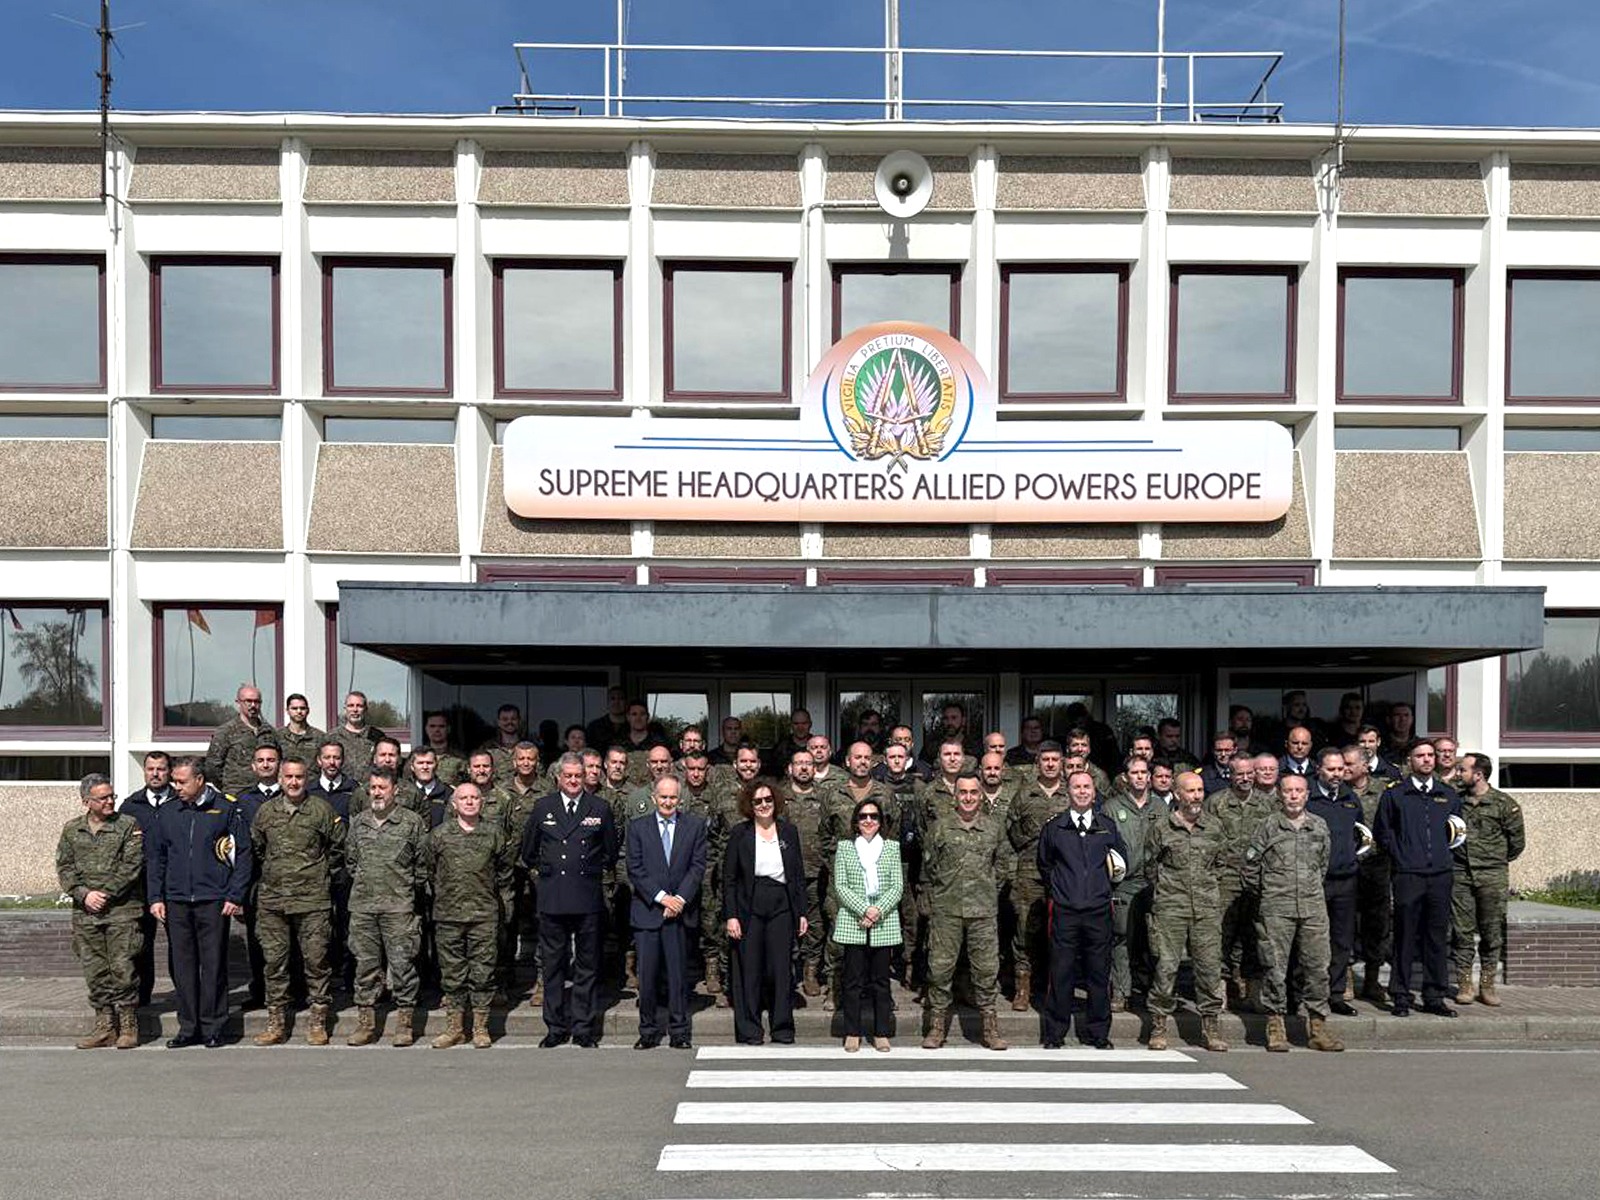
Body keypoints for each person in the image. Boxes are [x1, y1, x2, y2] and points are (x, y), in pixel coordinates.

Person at [145, 758, 251, 1048]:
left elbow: (242, 854)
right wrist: (156, 897)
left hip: (213, 899)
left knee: (214, 964)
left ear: (200, 780)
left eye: (181, 781)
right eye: (174, 781)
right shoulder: (168, 812)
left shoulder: (225, 809)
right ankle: (188, 1027)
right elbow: (157, 857)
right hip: (177, 900)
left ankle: (213, 1026)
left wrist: (234, 894)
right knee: (183, 967)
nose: (175, 786)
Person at [522, 753, 618, 1048]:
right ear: (559, 778)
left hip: (587, 897)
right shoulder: (543, 807)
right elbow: (529, 852)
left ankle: (584, 1027)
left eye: (579, 775)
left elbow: (611, 852)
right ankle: (555, 1027)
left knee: (587, 966)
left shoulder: (600, 808)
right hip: (552, 898)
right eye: (569, 776)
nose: (574, 781)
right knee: (553, 966)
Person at [249, 754, 345, 1047]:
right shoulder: (266, 812)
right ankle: (276, 1023)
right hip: (273, 901)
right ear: (280, 778)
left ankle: (318, 1021)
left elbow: (338, 849)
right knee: (274, 963)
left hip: (312, 900)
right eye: (288, 777)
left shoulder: (321, 810)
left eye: (299, 777)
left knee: (316, 961)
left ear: (307, 779)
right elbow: (258, 848)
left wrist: (317, 876)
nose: (293, 782)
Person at [1246, 774, 1343, 1052]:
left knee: (1317, 968)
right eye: (1287, 790)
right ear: (1280, 794)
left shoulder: (1318, 826)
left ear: (1307, 794)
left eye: (1298, 790)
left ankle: (1317, 1027)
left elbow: (1322, 866)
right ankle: (1275, 1027)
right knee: (1274, 969)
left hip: (1312, 908)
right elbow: (1250, 869)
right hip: (1277, 909)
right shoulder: (1267, 826)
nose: (1292, 795)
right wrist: (1270, 894)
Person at [1036, 770, 1127, 1050]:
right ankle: (1054, 1034)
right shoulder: (1055, 827)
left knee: (1098, 974)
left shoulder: (1107, 826)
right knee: (1060, 973)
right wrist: (1063, 890)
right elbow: (1044, 864)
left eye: (1087, 787)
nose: (1083, 791)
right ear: (1069, 791)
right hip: (1065, 911)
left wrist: (1100, 889)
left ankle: (1099, 1033)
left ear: (1094, 791)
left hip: (1098, 910)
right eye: (1077, 787)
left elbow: (1122, 863)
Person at [1374, 739, 1462, 1017]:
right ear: (1409, 760)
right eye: (1420, 755)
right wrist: (1401, 856)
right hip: (1408, 875)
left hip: (1439, 875)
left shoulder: (1448, 795)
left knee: (1436, 937)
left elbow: (1457, 833)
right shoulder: (1395, 795)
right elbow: (1383, 832)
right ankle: (1400, 995)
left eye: (1430, 755)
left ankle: (1434, 995)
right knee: (1405, 936)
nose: (1426, 760)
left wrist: (1442, 858)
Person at [57, 773, 145, 1050]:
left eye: (111, 796)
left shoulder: (128, 825)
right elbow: (65, 867)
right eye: (103, 798)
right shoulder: (72, 830)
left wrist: (104, 893)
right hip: (86, 914)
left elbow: (132, 866)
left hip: (122, 911)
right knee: (95, 971)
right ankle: (105, 1026)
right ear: (87, 802)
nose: (110, 801)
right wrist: (84, 895)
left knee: (123, 968)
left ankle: (129, 1025)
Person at [345, 765, 432, 1047]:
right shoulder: (358, 822)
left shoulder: (412, 822)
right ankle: (366, 1023)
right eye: (373, 787)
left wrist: (404, 889)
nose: (377, 792)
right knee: (365, 965)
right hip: (363, 907)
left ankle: (405, 1023)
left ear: (395, 790)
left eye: (383, 787)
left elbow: (423, 865)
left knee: (403, 965)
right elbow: (350, 861)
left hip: (399, 907)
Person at [921, 775, 1008, 1051]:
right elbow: (929, 867)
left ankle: (990, 1029)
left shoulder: (993, 828)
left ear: (981, 795)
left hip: (982, 911)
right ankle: (936, 1028)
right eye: (963, 793)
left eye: (973, 792)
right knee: (940, 969)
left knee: (986, 970)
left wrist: (986, 890)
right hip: (947, 910)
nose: (968, 797)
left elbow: (1002, 866)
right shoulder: (940, 828)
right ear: (954, 796)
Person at [1146, 771, 1229, 1053]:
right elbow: (1150, 867)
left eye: (1200, 790)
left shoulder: (1215, 827)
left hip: (1205, 908)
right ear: (1177, 794)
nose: (1196, 796)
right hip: (1171, 908)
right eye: (1190, 791)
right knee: (1166, 967)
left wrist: (1207, 890)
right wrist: (1167, 893)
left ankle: (1210, 1025)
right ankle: (1159, 1024)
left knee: (1208, 968)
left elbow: (1221, 864)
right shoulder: (1162, 828)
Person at [430, 782, 516, 1049]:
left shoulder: (494, 834)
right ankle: (455, 1028)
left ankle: (480, 1027)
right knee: (452, 973)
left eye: (474, 797)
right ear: (453, 804)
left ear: (482, 802)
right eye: (463, 798)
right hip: (449, 915)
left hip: (483, 915)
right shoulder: (439, 835)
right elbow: (429, 870)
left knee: (483, 973)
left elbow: (504, 872)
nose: (469, 802)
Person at [722, 779, 808, 1045]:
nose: (763, 805)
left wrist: (801, 912)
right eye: (758, 801)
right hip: (750, 903)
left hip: (781, 903)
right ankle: (750, 1029)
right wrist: (732, 915)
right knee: (750, 968)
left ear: (776, 802)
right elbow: (730, 878)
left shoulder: (789, 832)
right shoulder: (740, 833)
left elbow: (797, 875)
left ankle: (782, 1027)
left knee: (781, 969)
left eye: (768, 800)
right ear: (750, 804)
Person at [627, 775, 708, 1049]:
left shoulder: (694, 826)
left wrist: (680, 899)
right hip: (649, 913)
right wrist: (663, 899)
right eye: (663, 797)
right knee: (647, 979)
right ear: (653, 798)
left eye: (673, 797)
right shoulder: (637, 827)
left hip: (679, 915)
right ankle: (648, 1032)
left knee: (678, 978)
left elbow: (697, 867)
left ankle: (679, 1032)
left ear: (680, 799)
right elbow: (635, 869)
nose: (668, 802)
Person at [830, 796, 904, 1053]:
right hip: (855, 920)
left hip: (883, 922)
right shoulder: (845, 848)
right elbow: (841, 886)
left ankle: (881, 1032)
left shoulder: (892, 848)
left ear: (881, 821)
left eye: (874, 816)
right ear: (856, 821)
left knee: (881, 982)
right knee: (853, 981)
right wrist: (864, 909)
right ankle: (853, 1031)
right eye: (863, 817)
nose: (869, 821)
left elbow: (897, 886)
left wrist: (877, 911)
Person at [1452, 752, 1525, 1007]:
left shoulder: (1504, 804)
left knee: (1491, 932)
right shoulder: (1455, 800)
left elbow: (1517, 844)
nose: (1458, 773)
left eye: (1463, 770)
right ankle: (1464, 983)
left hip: (1492, 876)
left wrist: (1492, 860)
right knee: (1461, 932)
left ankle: (1487, 984)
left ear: (1478, 774)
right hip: (1460, 873)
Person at [1006, 741, 1071, 1010]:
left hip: (1064, 874)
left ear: (1063, 762)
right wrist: (1028, 843)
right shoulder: (1024, 793)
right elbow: (1011, 826)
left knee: (1059, 932)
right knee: (1025, 929)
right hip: (1029, 871)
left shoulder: (1071, 794)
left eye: (1055, 759)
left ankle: (1052, 988)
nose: (1050, 764)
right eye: (1045, 760)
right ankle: (1023, 987)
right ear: (1038, 763)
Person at [1103, 756, 1164, 1011]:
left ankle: (1154, 991)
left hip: (1153, 884)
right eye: (1134, 773)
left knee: (1154, 940)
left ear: (1149, 776)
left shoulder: (1160, 807)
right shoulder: (1111, 807)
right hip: (1124, 884)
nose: (1139, 777)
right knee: (1121, 938)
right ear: (1126, 777)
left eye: (1143, 772)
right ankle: (1120, 991)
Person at [1307, 746, 1364, 1015]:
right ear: (1318, 768)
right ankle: (1305, 993)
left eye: (1341, 769)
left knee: (1341, 940)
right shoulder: (1307, 797)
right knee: (1310, 939)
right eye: (1331, 769)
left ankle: (1336, 993)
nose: (1336, 774)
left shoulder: (1350, 798)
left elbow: (1360, 834)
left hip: (1345, 881)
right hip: (1314, 881)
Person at [119, 750, 172, 1007]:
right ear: (144, 771)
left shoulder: (180, 801)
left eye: (161, 769)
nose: (155, 774)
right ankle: (142, 998)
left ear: (169, 771)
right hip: (140, 886)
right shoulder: (131, 806)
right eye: (151, 769)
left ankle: (185, 995)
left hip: (174, 885)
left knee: (180, 945)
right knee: (141, 945)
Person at [205, 683, 278, 796]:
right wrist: (228, 786)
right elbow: (212, 768)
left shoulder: (270, 732)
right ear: (238, 702)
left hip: (265, 794)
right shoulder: (225, 732)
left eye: (257, 702)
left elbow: (279, 761)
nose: (253, 705)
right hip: (236, 794)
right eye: (248, 701)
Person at [333, 690, 384, 782]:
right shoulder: (333, 736)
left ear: (365, 709)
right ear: (345, 709)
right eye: (351, 706)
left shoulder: (377, 736)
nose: (355, 710)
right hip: (341, 790)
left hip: (370, 789)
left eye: (359, 706)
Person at [276, 693, 325, 764]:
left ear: (308, 711)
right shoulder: (278, 736)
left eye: (302, 708)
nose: (299, 711)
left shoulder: (320, 737)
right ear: (287, 711)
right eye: (294, 708)